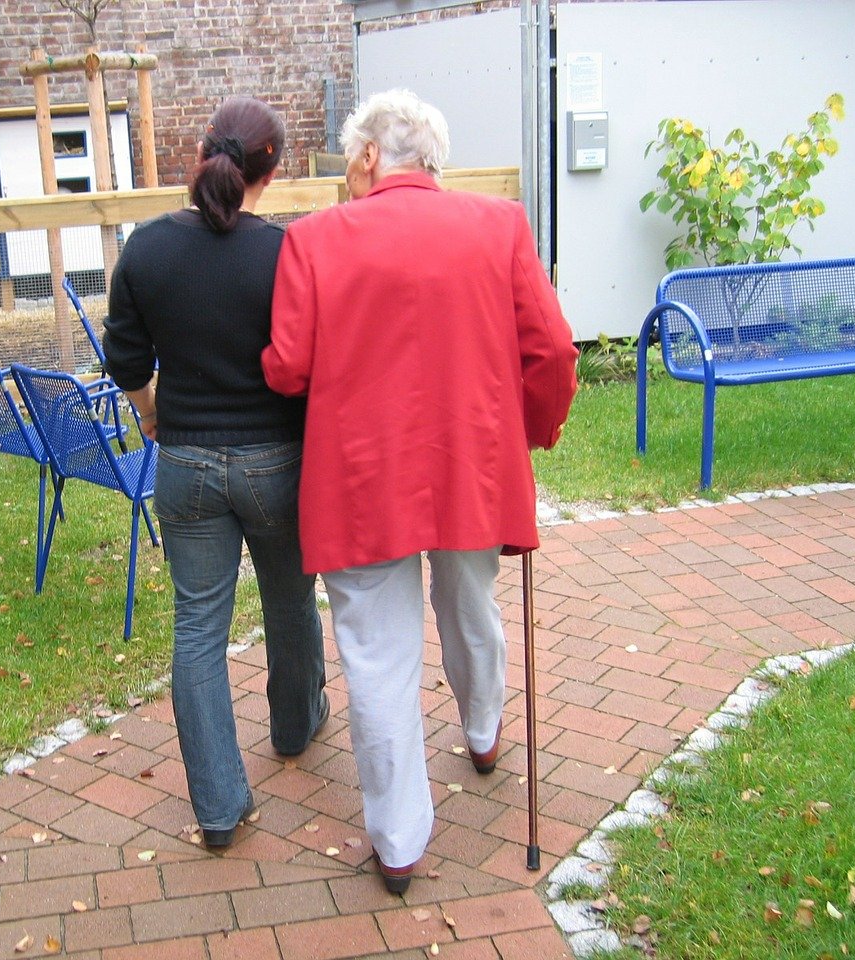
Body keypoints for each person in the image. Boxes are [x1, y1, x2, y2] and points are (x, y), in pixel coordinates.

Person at [262, 89, 578, 893]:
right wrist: (532, 431)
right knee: (472, 604)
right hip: (473, 468)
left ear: (370, 156)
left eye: (349, 158)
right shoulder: (499, 225)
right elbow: (551, 350)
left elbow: (290, 367)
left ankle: (399, 843)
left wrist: (270, 366)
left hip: (363, 479)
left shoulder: (312, 239)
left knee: (377, 656)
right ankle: (481, 730)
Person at [102, 96, 328, 850]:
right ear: (275, 168)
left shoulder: (146, 249)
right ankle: (295, 729)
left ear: (200, 154)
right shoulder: (287, 252)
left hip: (187, 466)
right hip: (278, 466)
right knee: (291, 604)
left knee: (197, 628)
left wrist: (152, 412)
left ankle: (219, 808)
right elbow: (311, 362)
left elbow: (127, 362)